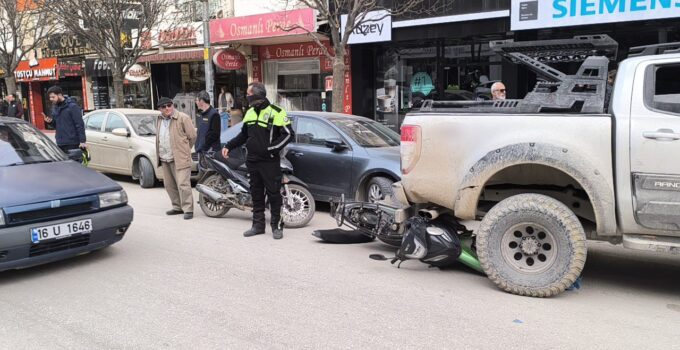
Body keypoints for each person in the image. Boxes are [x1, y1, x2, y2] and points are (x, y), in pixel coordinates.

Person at [222, 82, 294, 239]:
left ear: (256, 96)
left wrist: (271, 149)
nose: (246, 97)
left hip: (270, 162)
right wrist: (229, 145)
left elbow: (288, 134)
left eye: (248, 94)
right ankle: (258, 226)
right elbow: (243, 135)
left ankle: (277, 226)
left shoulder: (276, 112)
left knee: (274, 195)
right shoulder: (249, 112)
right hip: (252, 161)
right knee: (256, 194)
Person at [155, 97, 197, 220]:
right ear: (159, 109)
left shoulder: (183, 118)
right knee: (169, 185)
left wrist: (184, 150)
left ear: (173, 105)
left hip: (180, 157)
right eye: (164, 107)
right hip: (164, 157)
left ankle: (188, 209)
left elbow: (192, 136)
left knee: (183, 184)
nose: (167, 108)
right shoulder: (159, 119)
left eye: (169, 105)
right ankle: (177, 207)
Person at [42, 86, 86, 154]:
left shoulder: (72, 106)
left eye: (53, 97)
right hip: (60, 143)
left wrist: (82, 141)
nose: (51, 99)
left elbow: (79, 124)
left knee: (73, 164)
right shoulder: (55, 107)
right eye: (50, 97)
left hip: (73, 143)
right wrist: (50, 122)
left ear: (59, 95)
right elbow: (56, 125)